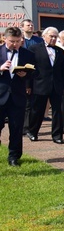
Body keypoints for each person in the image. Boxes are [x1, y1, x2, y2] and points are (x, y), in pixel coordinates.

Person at [0, 27, 34, 167]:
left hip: (17, 97)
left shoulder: (27, 54)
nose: (15, 44)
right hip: (1, 95)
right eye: (12, 41)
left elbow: (35, 72)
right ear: (4, 38)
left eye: (18, 41)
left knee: (16, 128)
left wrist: (26, 74)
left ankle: (14, 157)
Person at [26, 27, 64, 144]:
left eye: (55, 37)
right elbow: (30, 68)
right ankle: (32, 131)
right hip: (40, 84)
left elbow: (61, 70)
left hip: (56, 85)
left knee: (57, 111)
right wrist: (29, 85)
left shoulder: (60, 51)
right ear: (44, 36)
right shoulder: (34, 49)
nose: (53, 39)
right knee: (37, 110)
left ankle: (57, 136)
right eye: (51, 36)